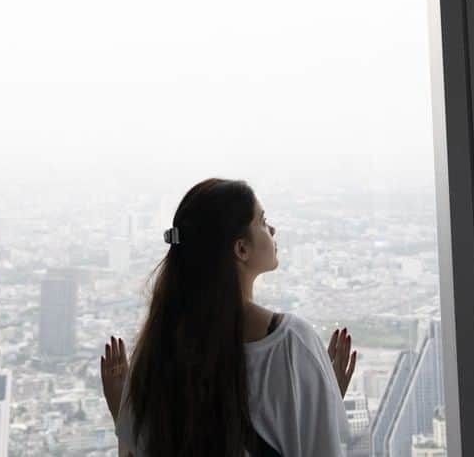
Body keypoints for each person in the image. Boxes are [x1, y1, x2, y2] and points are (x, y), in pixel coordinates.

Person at [99, 178, 357, 456]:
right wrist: (319, 403)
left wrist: (122, 415)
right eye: (262, 221)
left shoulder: (154, 352)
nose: (272, 229)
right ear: (241, 249)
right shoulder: (292, 344)